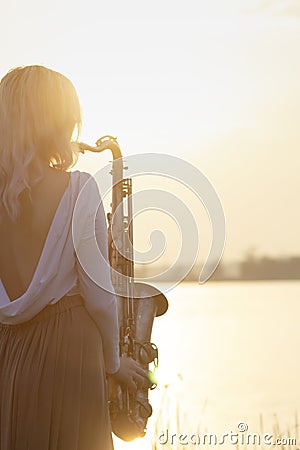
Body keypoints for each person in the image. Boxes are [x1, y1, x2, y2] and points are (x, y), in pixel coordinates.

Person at [0, 65, 147, 450]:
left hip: (10, 353)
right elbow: (100, 300)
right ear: (56, 123)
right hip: (71, 354)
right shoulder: (79, 189)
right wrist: (113, 364)